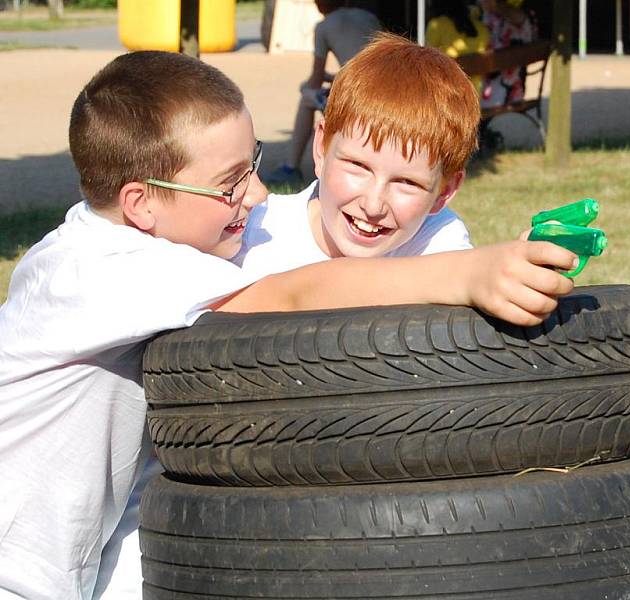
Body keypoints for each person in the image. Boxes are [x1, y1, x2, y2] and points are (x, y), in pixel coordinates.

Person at [0, 50, 577, 599]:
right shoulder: (112, 271)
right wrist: (468, 276)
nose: (256, 193)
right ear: (141, 203)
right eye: (231, 182)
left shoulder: (99, 247)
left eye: (252, 165)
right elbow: (294, 292)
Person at [238, 32, 477, 274]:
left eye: (407, 182)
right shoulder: (254, 237)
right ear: (322, 148)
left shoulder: (438, 244)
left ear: (444, 191)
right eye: (358, 166)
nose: (373, 206)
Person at [263, 0, 381, 187]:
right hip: (379, 91)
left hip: (356, 98)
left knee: (307, 98)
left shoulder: (323, 27)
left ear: (318, 5)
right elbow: (364, 68)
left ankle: (291, 166)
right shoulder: (369, 18)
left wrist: (305, 88)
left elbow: (315, 79)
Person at [478, 0, 538, 108]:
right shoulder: (490, 16)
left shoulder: (517, 17)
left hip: (497, 93)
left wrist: (495, 5)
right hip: (509, 90)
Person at [425, 0, 491, 95]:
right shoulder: (482, 28)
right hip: (475, 97)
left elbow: (427, 62)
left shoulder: (436, 25)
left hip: (446, 96)